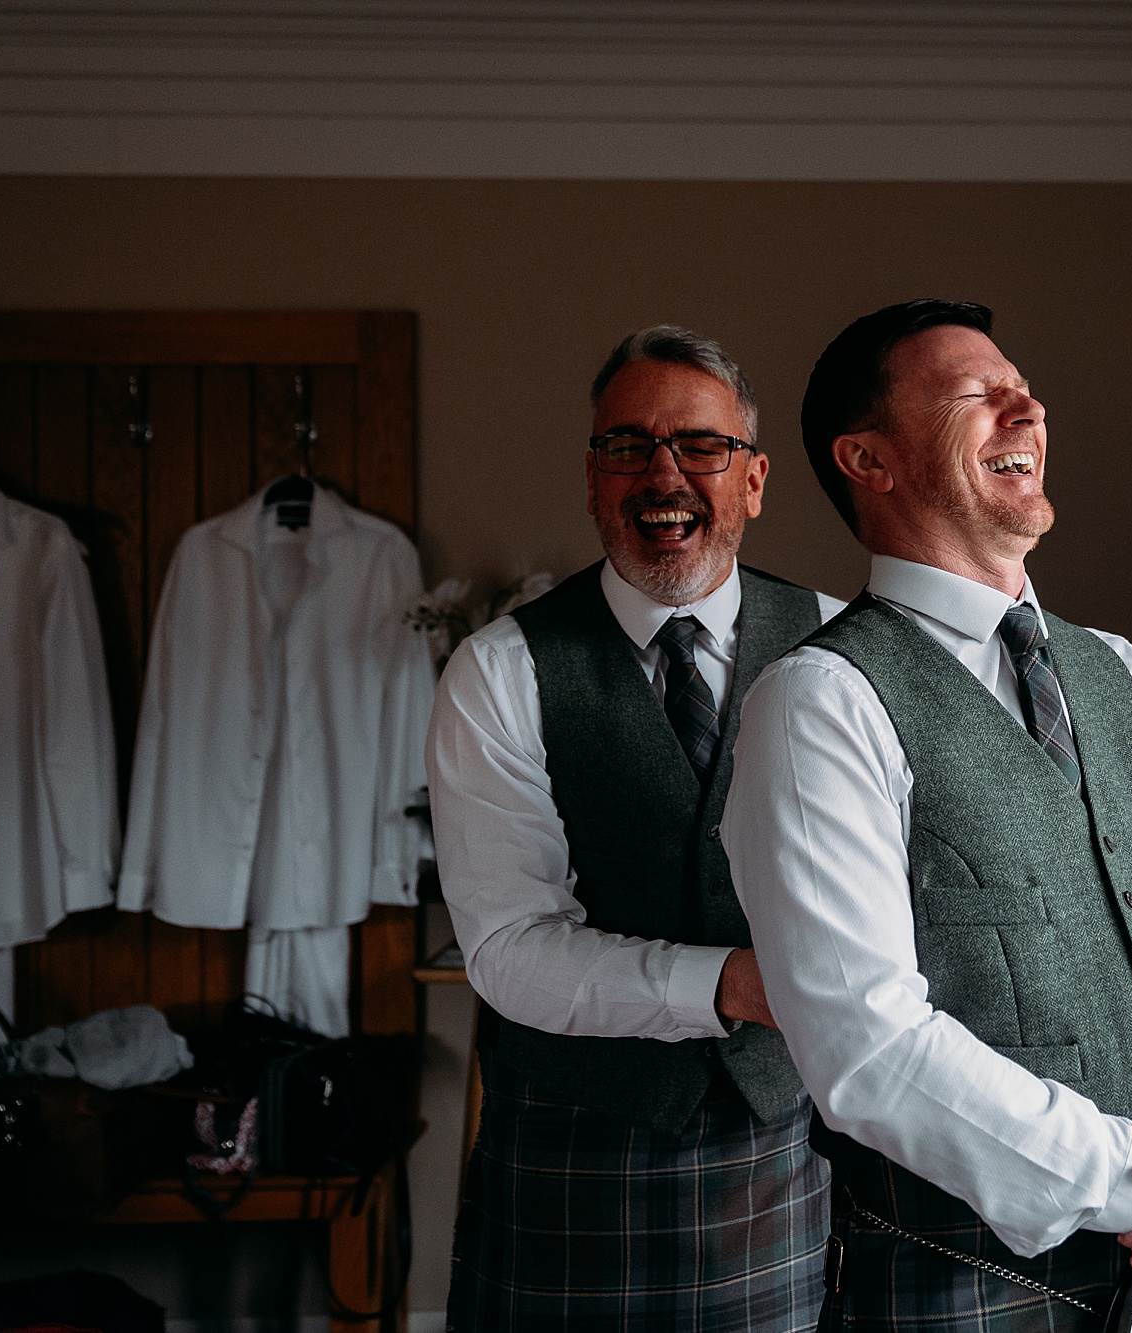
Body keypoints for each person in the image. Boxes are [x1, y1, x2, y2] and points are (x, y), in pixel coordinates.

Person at [723, 300, 1132, 1333]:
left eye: (1021, 387)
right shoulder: (818, 701)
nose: (1025, 405)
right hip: (966, 1294)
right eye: (974, 394)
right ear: (868, 459)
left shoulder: (1121, 673)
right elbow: (867, 1047)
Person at [429, 326, 844, 1331]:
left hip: (783, 1146)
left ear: (752, 480)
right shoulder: (500, 670)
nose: (662, 474)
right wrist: (729, 985)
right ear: (591, 479)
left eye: (700, 445)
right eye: (627, 445)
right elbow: (507, 951)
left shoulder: (840, 648)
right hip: (571, 1157)